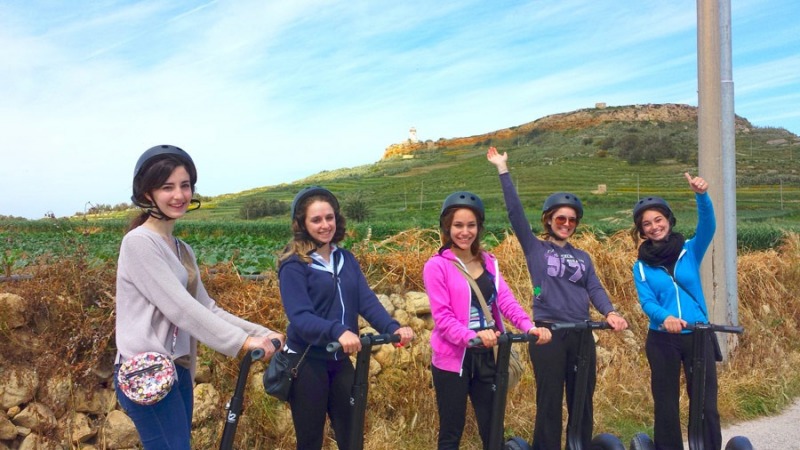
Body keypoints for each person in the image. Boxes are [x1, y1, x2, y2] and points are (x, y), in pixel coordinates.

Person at [115, 144, 284, 450]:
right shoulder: (139, 243)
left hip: (177, 369)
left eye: (185, 185)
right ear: (146, 194)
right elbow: (181, 310)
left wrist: (261, 333)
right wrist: (242, 343)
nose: (179, 195)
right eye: (167, 187)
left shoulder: (182, 249)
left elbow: (206, 307)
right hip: (147, 371)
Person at [486, 147, 628, 450]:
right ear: (548, 220)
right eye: (560, 218)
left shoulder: (583, 257)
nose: (566, 223)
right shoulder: (535, 248)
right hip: (549, 333)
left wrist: (611, 312)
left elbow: (596, 289)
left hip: (583, 333)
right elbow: (515, 213)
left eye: (572, 220)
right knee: (549, 402)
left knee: (582, 401)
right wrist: (502, 169)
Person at [278, 185, 415, 450]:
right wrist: (338, 331)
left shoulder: (346, 259)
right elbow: (300, 316)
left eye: (329, 218)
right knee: (310, 441)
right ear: (302, 224)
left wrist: (393, 327)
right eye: (316, 219)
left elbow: (365, 300)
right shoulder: (295, 264)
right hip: (306, 361)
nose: (324, 225)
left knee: (352, 437)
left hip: (339, 360)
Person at [423, 191, 552, 450]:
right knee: (451, 430)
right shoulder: (437, 266)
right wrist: (471, 336)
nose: (464, 232)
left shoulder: (490, 262)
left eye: (471, 225)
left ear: (478, 227)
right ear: (447, 227)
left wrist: (529, 326)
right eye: (458, 225)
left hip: (489, 353)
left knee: (492, 428)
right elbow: (443, 317)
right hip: (453, 359)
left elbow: (506, 302)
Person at [631, 173, 718, 450]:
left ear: (668, 220)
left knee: (705, 401)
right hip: (662, 338)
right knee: (666, 404)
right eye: (647, 224)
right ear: (642, 231)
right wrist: (664, 317)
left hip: (698, 333)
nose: (654, 226)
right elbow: (647, 302)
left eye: (658, 220)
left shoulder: (690, 250)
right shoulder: (641, 266)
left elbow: (708, 225)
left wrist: (701, 195)